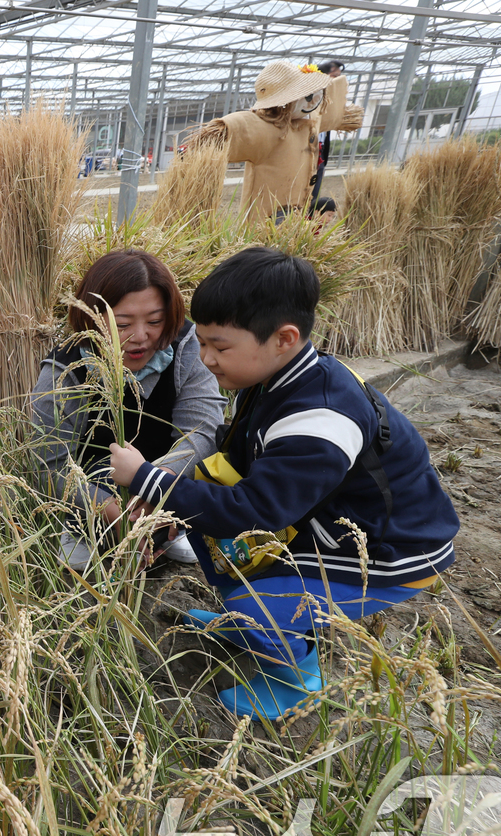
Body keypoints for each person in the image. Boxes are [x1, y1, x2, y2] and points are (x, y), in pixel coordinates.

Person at [108, 248, 459, 720]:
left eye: (219, 346)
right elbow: (234, 457)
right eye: (203, 344)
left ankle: (296, 677)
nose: (206, 359)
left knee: (253, 581)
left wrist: (148, 480)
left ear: (283, 338)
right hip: (325, 520)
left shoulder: (322, 416)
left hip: (387, 551)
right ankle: (252, 623)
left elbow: (253, 511)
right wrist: (173, 494)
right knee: (209, 527)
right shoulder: (277, 375)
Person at [32, 250, 226, 570]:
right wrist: (116, 515)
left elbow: (201, 428)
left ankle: (169, 524)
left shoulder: (188, 343)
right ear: (92, 320)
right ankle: (85, 527)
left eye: (155, 321)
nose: (140, 337)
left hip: (165, 485)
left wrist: (155, 491)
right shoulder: (64, 369)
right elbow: (48, 464)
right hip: (97, 488)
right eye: (122, 324)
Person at [194, 60, 361, 221]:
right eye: (309, 95)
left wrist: (348, 114)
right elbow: (238, 128)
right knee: (270, 231)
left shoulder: (313, 118)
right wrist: (207, 140)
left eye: (317, 93)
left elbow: (332, 114)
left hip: (300, 204)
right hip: (270, 210)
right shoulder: (265, 128)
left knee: (296, 226)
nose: (315, 100)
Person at [311, 60, 346, 213]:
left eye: (339, 76)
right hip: (305, 151)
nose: (336, 80)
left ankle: (308, 224)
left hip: (320, 153)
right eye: (333, 76)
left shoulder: (331, 102)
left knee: (314, 193)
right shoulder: (309, 99)